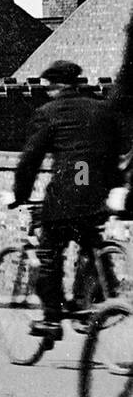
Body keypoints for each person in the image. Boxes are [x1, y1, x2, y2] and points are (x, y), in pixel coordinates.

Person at [12, 59, 123, 340]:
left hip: (64, 198)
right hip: (98, 195)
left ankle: (52, 319)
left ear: (54, 86)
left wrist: (20, 194)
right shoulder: (100, 109)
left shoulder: (47, 113)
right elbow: (116, 150)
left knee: (49, 254)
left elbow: (30, 160)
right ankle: (89, 300)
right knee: (89, 243)